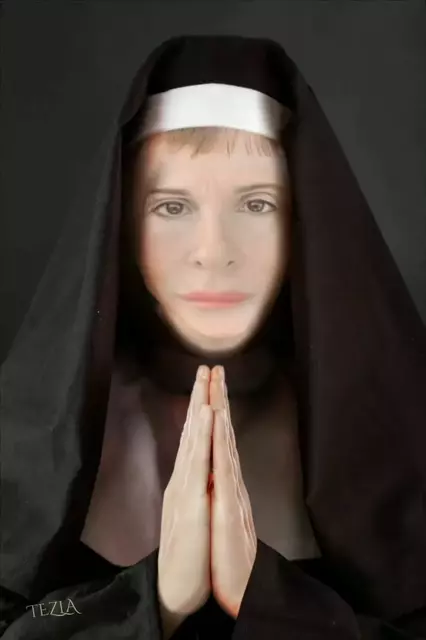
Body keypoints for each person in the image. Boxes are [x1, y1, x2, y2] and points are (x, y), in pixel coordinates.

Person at [1, 35, 426, 640]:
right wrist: (153, 601)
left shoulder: (408, 433)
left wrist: (268, 599)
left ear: (306, 221)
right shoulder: (23, 435)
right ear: (122, 228)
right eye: (172, 207)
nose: (214, 252)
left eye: (257, 204)